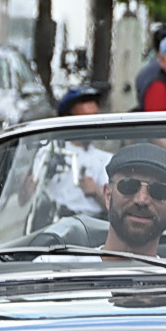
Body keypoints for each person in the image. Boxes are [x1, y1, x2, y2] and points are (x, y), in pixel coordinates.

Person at [18, 88, 111, 227]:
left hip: (92, 225)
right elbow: (23, 200)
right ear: (69, 119)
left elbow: (117, 209)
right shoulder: (49, 151)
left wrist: (95, 192)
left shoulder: (105, 159)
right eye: (87, 119)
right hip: (54, 222)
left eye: (96, 118)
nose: (94, 125)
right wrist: (29, 181)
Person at [100, 143, 166, 257]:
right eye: (128, 185)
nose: (141, 200)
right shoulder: (69, 269)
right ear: (108, 195)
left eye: (158, 191)